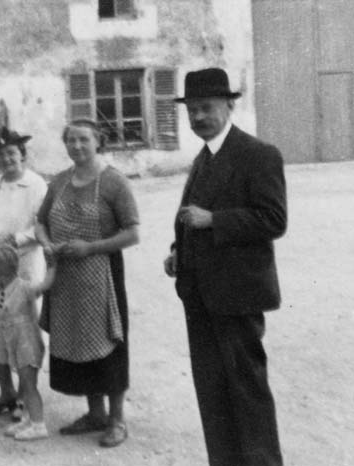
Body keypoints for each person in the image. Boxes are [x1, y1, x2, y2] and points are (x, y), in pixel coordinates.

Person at [163, 68, 286, 466]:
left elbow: (273, 219)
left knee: (246, 388)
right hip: (200, 293)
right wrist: (178, 251)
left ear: (229, 106)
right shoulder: (203, 157)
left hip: (237, 294)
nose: (198, 117)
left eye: (207, 108)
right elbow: (191, 217)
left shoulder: (257, 154)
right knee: (212, 390)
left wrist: (214, 220)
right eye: (192, 110)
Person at [35, 118, 139, 448]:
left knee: (108, 344)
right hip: (65, 277)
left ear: (98, 141)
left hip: (101, 274)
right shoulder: (59, 181)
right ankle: (95, 414)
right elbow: (39, 222)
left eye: (84, 140)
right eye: (71, 141)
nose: (77, 146)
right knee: (79, 343)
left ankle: (117, 420)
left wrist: (90, 248)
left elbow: (133, 233)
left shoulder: (114, 182)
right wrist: (47, 243)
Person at [0, 128, 48, 420]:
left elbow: (43, 225)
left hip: (25, 267)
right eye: (1, 156)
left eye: (12, 154)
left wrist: (17, 240)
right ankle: (6, 392)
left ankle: (28, 396)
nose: (7, 160)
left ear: (22, 155)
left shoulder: (37, 185)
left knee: (24, 333)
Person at [0, 243, 56, 441]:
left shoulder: (23, 287)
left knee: (30, 387)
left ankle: (38, 424)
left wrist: (52, 266)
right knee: (26, 383)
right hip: (17, 345)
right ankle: (29, 419)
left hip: (28, 345)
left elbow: (44, 285)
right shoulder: (3, 289)